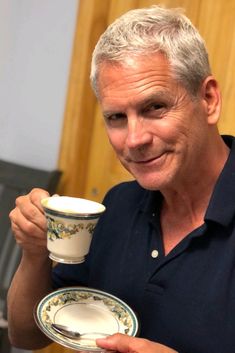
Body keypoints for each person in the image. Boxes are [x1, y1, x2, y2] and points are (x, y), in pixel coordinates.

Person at [6, 4, 235, 353]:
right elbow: (26, 336)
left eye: (155, 107)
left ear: (208, 99)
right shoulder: (116, 206)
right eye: (116, 117)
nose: (134, 139)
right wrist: (36, 253)